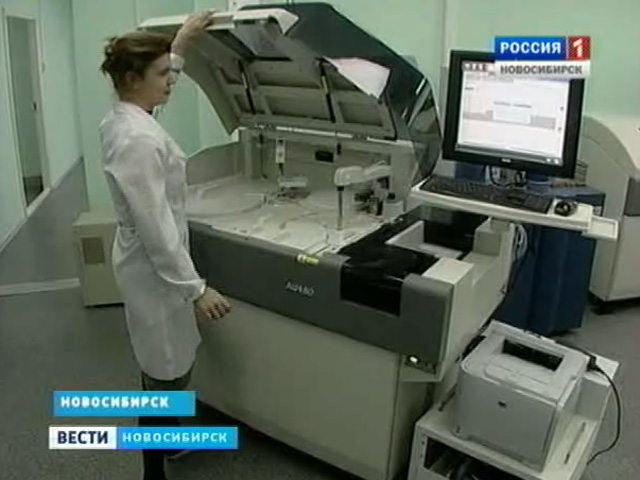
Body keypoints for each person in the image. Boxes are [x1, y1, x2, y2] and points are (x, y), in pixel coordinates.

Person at [98, 11, 230, 480]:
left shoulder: (126, 117)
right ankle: (152, 471)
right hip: (154, 271)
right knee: (164, 374)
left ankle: (170, 439)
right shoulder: (136, 140)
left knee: (161, 361)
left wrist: (181, 45)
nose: (171, 80)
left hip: (148, 264)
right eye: (162, 74)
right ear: (134, 79)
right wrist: (197, 289)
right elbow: (156, 228)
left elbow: (153, 112)